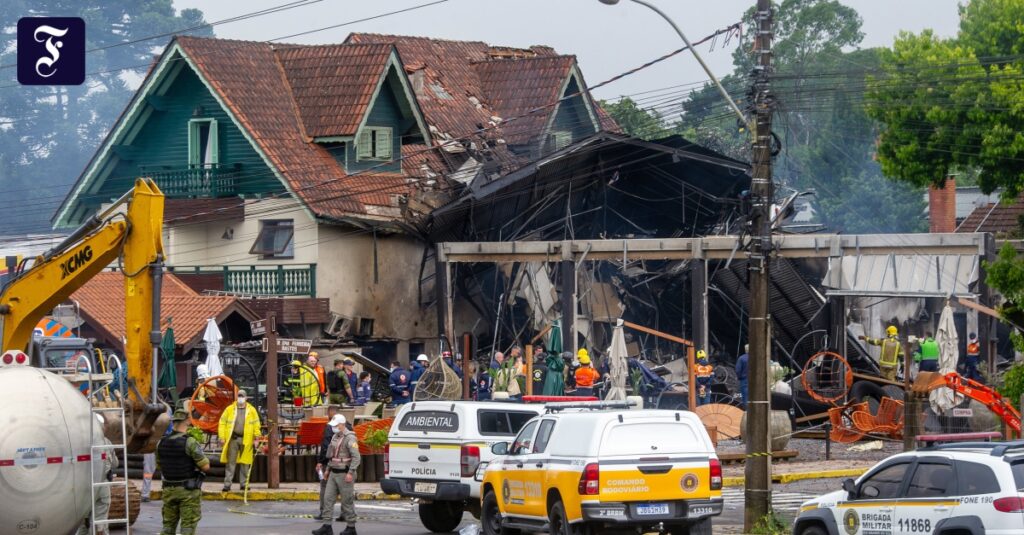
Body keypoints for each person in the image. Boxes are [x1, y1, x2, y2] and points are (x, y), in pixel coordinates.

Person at [157, 409, 211, 535]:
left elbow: (159, 466)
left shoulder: (161, 442)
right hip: (187, 492)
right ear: (188, 421)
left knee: (167, 527)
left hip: (168, 490)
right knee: (188, 528)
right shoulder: (190, 442)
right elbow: (205, 466)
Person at [313, 414, 361, 535]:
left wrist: (351, 472)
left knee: (347, 501)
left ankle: (351, 527)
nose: (333, 428)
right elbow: (332, 456)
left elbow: (356, 458)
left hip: (344, 473)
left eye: (336, 425)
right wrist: (327, 470)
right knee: (327, 499)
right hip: (333, 473)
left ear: (342, 424)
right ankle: (327, 525)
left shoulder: (350, 438)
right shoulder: (335, 436)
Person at [77, 420, 119, 535]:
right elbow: (115, 464)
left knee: (83, 522)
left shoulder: (80, 443)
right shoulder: (106, 442)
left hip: (83, 487)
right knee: (99, 522)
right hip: (101, 486)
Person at [218, 389, 262, 492]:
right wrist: (222, 437)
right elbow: (222, 423)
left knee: (245, 463)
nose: (241, 398)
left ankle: (244, 484)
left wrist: (257, 437)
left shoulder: (252, 410)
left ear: (246, 398)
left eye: (242, 396)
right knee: (230, 463)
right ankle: (227, 485)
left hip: (246, 439)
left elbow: (256, 424)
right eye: (239, 396)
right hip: (233, 439)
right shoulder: (229, 409)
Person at [315, 407, 339, 520]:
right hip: (345, 464)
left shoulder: (330, 426)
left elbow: (325, 446)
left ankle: (324, 512)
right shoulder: (348, 426)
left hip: (330, 462)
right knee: (344, 489)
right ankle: (346, 513)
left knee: (324, 486)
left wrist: (320, 462)